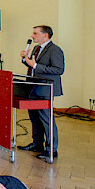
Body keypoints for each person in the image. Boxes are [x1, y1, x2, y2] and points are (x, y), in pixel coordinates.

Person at [19, 25, 65, 159]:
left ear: (45, 35)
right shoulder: (36, 48)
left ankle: (51, 150)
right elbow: (33, 66)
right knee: (34, 118)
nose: (32, 36)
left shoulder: (55, 50)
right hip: (33, 88)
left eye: (35, 33)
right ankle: (37, 144)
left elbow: (58, 70)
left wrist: (35, 65)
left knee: (46, 119)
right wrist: (25, 59)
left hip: (45, 89)